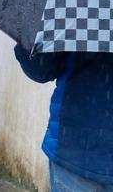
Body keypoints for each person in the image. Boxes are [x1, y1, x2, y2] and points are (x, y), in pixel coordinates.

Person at [15, 46, 113, 191]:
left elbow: (40, 69)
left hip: (74, 150)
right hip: (74, 153)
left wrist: (27, 42)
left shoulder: (76, 24)